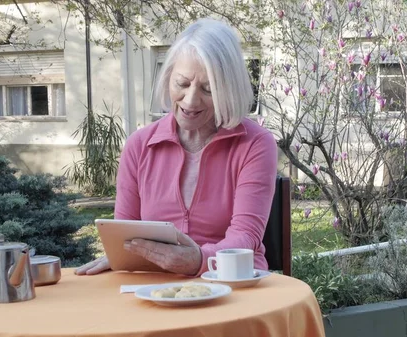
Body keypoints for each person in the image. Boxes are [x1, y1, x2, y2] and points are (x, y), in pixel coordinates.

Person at [75, 18, 277, 277]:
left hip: (233, 283)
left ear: (229, 91)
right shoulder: (139, 145)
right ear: (168, 77)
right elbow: (124, 235)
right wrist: (118, 255)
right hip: (154, 287)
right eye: (182, 84)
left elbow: (245, 237)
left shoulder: (255, 143)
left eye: (208, 89)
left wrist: (198, 262)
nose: (191, 100)